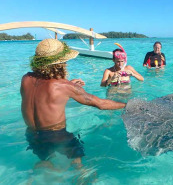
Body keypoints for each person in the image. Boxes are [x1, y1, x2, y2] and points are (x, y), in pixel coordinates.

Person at [21, 39, 126, 169]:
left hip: (32, 134)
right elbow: (101, 104)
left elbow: (45, 94)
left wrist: (68, 85)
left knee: (46, 160)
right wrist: (128, 105)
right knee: (77, 159)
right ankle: (81, 175)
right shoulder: (64, 86)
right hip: (56, 135)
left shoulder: (26, 78)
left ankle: (36, 176)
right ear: (60, 63)